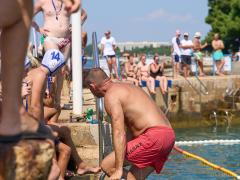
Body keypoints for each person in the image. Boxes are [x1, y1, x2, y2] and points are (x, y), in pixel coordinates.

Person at [85, 68, 175, 180]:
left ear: (92, 86)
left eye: (89, 89)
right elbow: (130, 133)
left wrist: (118, 169)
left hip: (153, 137)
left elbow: (119, 132)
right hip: (169, 137)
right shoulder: (127, 87)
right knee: (135, 177)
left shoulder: (111, 96)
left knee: (107, 165)